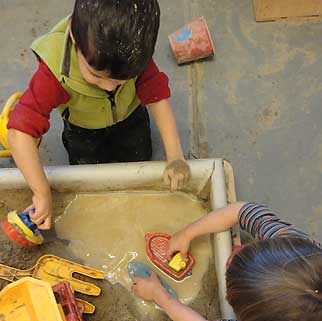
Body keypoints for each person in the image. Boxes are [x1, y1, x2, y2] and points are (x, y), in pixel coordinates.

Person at [7, 0, 190, 230]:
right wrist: (41, 192)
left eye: (121, 80)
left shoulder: (132, 53)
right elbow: (19, 133)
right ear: (74, 37)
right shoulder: (53, 70)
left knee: (138, 157)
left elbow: (157, 96)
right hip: (82, 129)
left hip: (130, 118)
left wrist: (175, 156)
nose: (110, 88)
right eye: (96, 76)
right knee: (86, 173)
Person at [132, 202, 322, 321]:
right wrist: (188, 233)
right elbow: (240, 211)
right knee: (238, 260)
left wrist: (159, 295)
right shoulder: (294, 246)